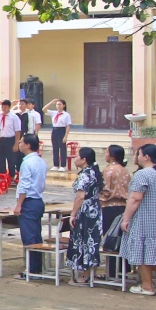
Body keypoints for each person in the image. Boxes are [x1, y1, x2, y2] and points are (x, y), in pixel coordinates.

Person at [121, 143, 156, 295]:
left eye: (139, 154)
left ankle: (147, 286)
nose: (137, 157)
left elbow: (135, 199)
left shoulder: (143, 174)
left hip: (144, 219)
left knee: (143, 251)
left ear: (146, 157)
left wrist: (126, 218)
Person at [64, 147, 103, 285]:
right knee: (92, 241)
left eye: (77, 156)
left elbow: (80, 196)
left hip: (86, 211)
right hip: (95, 209)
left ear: (84, 159)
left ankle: (86, 275)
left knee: (85, 240)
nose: (74, 158)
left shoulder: (85, 174)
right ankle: (91, 273)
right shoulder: (94, 172)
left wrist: (73, 213)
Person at [15, 133, 49, 278]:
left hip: (29, 201)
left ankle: (32, 270)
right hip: (37, 201)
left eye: (21, 142)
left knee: (29, 237)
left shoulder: (27, 163)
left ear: (28, 145)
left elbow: (25, 185)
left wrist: (19, 204)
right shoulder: (41, 161)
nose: (19, 144)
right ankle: (36, 267)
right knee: (35, 236)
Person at [47, 99, 72, 170]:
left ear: (64, 105)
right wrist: (51, 102)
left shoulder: (66, 115)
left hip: (62, 130)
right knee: (55, 148)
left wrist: (66, 136)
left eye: (60, 104)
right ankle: (56, 165)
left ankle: (63, 165)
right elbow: (44, 109)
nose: (58, 106)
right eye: (57, 104)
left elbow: (68, 126)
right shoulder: (54, 113)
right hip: (54, 130)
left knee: (62, 148)